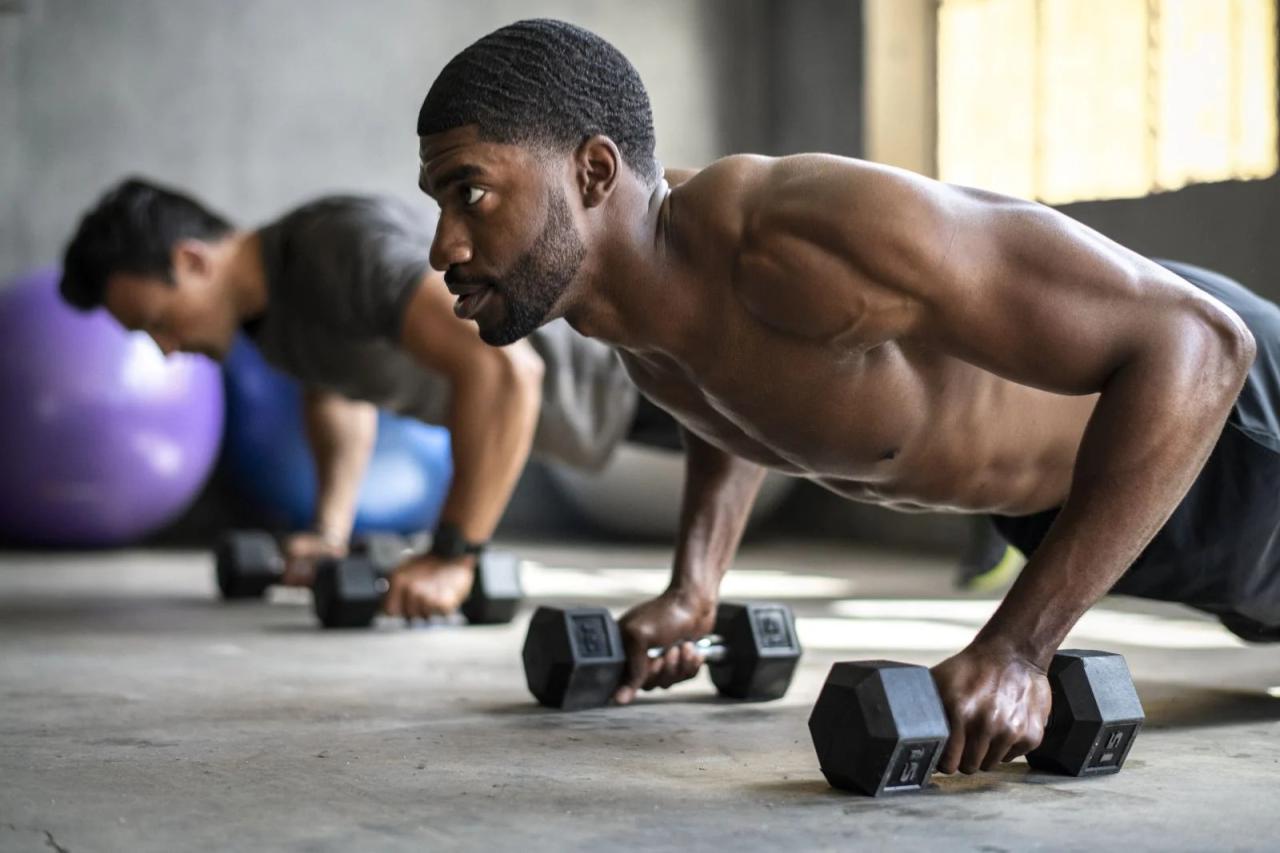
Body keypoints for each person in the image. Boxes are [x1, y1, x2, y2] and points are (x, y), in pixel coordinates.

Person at [414, 19, 1279, 775]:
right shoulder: (634, 318)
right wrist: (695, 584)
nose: (444, 245)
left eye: (473, 192)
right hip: (1118, 513)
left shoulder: (799, 233)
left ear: (594, 171)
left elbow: (1199, 346)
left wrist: (1019, 650)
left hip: (1225, 434)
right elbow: (732, 402)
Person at [59, 178, 680, 618]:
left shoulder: (334, 249)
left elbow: (503, 372)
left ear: (192, 261)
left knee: (766, 440)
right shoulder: (269, 316)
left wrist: (453, 555)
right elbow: (338, 394)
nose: (165, 348)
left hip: (634, 366)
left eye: (156, 321)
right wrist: (330, 532)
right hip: (595, 412)